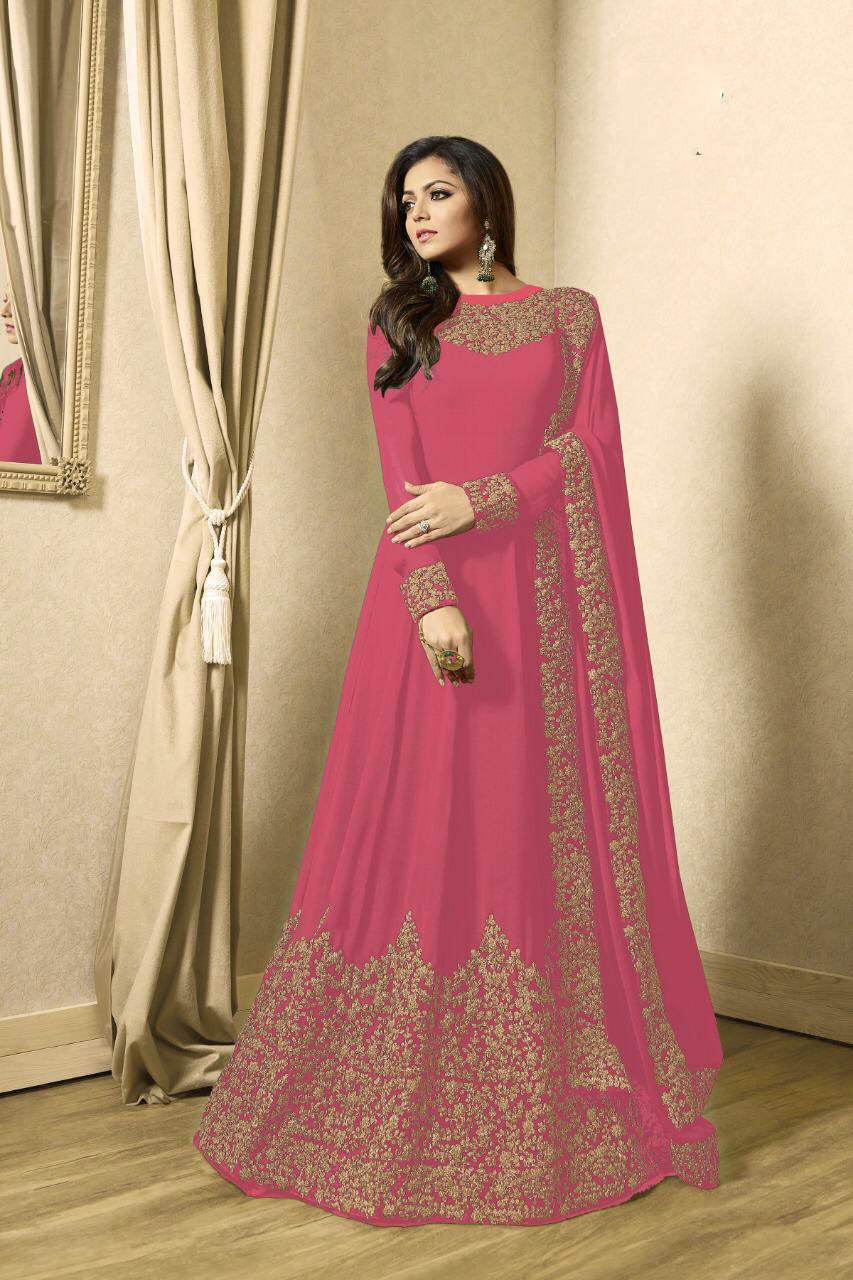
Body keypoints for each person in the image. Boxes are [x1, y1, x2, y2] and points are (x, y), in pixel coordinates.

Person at [192, 135, 723, 1227]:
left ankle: (542, 1083)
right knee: (420, 821)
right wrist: (431, 597)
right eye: (405, 200)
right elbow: (401, 482)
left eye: (438, 192)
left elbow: (588, 451)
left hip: (541, 614)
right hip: (428, 609)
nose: (418, 212)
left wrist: (483, 497)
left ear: (486, 200)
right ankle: (386, 1085)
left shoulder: (569, 317)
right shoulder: (400, 324)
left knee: (519, 825)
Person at [0, 281, 41, 464]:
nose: (4, 311)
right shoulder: (10, 373)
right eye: (5, 300)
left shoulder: (57, 377)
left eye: (16, 301)